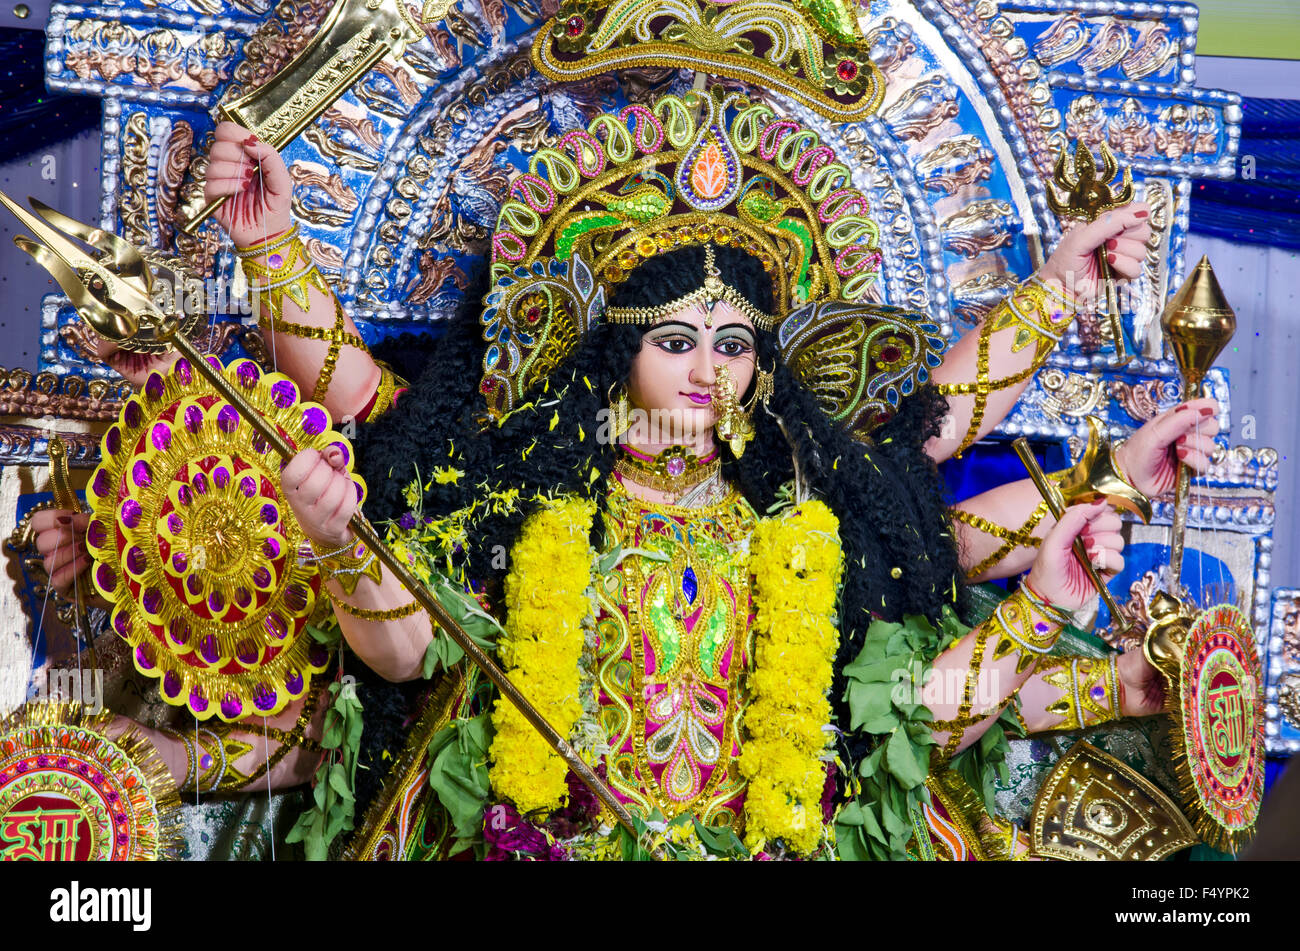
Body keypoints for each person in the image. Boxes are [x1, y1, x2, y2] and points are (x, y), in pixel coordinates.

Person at [34, 92, 1221, 859]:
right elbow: (401, 653)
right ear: (616, 355)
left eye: (736, 342)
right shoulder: (517, 497)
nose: (710, 369)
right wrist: (343, 537)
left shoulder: (808, 516)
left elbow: (896, 701)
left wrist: (1071, 531)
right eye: (676, 340)